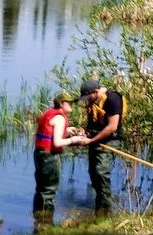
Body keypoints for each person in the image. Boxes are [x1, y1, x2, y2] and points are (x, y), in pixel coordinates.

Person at [33, 92, 88, 225]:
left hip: (40, 154)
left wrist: (67, 131)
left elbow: (51, 131)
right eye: (69, 103)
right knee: (49, 190)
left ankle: (38, 218)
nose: (71, 105)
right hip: (50, 157)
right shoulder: (60, 118)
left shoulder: (50, 113)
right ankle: (46, 221)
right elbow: (57, 143)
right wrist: (74, 139)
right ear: (62, 104)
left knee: (41, 188)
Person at [78, 80, 125, 214]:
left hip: (110, 141)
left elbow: (112, 127)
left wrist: (92, 140)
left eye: (88, 97)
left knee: (101, 171)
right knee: (93, 173)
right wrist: (84, 133)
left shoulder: (113, 99)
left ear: (96, 92)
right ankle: (99, 204)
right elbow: (92, 122)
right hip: (94, 139)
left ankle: (105, 210)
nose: (87, 100)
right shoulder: (93, 101)